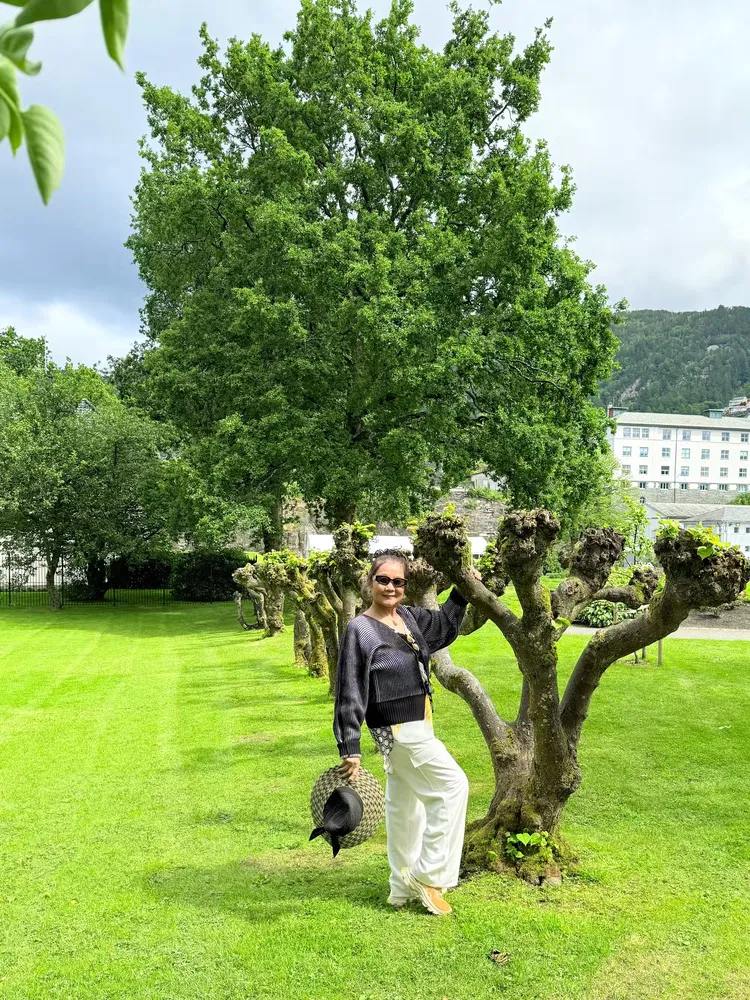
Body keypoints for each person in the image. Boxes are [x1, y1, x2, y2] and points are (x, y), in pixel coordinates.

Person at [333, 549, 478, 916]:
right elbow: (350, 688)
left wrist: (462, 591)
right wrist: (349, 745)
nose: (391, 587)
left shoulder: (409, 618)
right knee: (452, 786)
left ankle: (400, 889)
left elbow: (443, 625)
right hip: (400, 730)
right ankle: (429, 877)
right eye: (383, 579)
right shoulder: (360, 630)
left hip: (419, 724)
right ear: (370, 582)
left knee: (405, 810)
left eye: (398, 581)